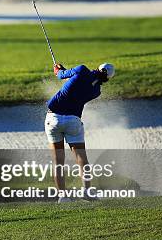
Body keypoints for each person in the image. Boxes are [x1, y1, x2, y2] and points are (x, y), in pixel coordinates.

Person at [45, 63, 115, 203]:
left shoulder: (81, 69)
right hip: (73, 121)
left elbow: (61, 76)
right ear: (107, 79)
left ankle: (63, 197)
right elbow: (77, 84)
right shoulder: (96, 91)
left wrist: (58, 69)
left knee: (58, 161)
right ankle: (87, 192)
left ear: (97, 68)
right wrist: (64, 72)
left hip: (53, 118)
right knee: (81, 158)